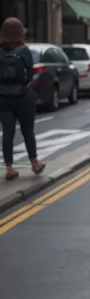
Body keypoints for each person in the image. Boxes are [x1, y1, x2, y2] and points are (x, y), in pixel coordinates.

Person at [0, 17, 45, 180]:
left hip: (3, 97)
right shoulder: (24, 51)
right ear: (20, 32)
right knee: (27, 130)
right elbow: (30, 74)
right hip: (23, 96)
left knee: (7, 132)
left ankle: (9, 168)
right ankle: (34, 162)